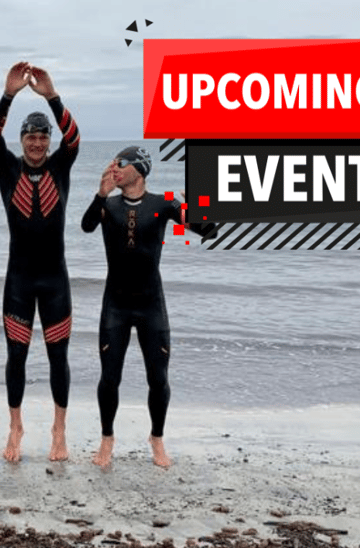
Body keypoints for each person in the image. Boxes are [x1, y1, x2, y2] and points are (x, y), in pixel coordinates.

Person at [80, 146, 216, 469]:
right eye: (113, 163)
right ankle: (107, 439)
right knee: (109, 377)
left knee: (158, 377)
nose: (114, 168)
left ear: (138, 171)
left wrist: (195, 202)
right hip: (115, 304)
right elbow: (86, 225)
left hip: (151, 305)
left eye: (120, 163)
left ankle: (156, 438)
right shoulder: (108, 205)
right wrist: (100, 194)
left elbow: (209, 229)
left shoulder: (162, 204)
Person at [0, 62, 81, 462]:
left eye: (43, 137)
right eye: (32, 137)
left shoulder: (61, 165)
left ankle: (59, 430)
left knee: (59, 358)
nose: (38, 143)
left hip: (55, 281)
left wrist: (51, 95)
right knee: (17, 358)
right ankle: (15, 427)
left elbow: (74, 138)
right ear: (22, 140)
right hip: (20, 282)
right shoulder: (9, 169)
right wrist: (8, 95)